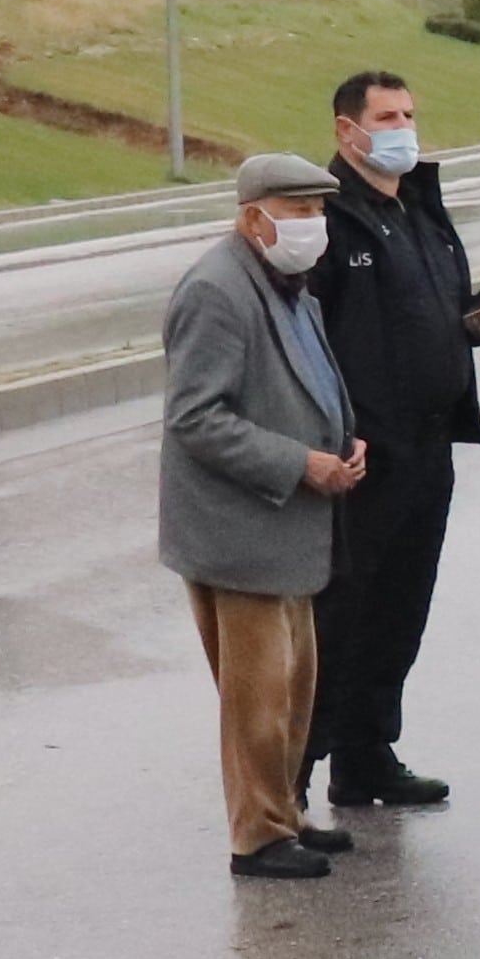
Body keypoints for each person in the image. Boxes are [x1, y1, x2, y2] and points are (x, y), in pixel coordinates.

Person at [306, 66, 480, 813]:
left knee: (401, 612)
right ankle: (292, 777)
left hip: (430, 449)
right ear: (347, 130)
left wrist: (472, 325)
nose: (402, 130)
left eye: (408, 116)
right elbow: (310, 342)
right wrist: (333, 438)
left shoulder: (421, 209)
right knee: (342, 617)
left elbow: (430, 316)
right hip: (366, 458)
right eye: (387, 118)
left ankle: (366, 757)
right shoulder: (329, 221)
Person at [159, 153, 368, 883]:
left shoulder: (289, 289)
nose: (314, 226)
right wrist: (300, 464)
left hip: (290, 527)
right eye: (299, 211)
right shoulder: (218, 291)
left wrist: (343, 441)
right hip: (238, 530)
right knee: (256, 695)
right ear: (254, 217)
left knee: (294, 685)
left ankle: (286, 811)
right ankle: (258, 835)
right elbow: (195, 417)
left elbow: (306, 381)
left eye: (319, 212)